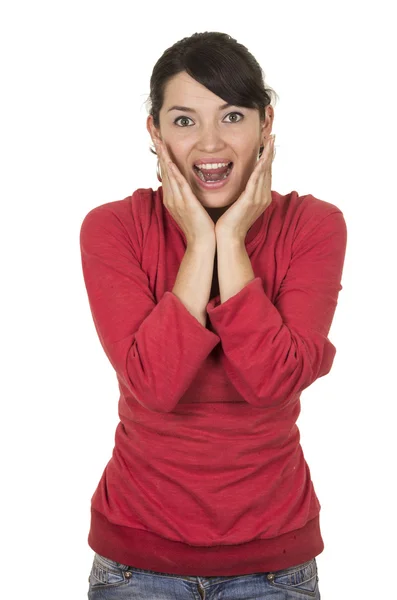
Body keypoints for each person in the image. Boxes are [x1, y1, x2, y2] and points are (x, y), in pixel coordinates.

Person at [81, 31, 347, 599]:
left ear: (265, 124)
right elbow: (154, 384)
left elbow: (270, 381)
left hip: (276, 568)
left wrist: (233, 241)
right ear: (154, 132)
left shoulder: (314, 226)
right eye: (183, 121)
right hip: (136, 565)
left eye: (231, 116)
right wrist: (201, 245)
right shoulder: (113, 228)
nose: (209, 144)